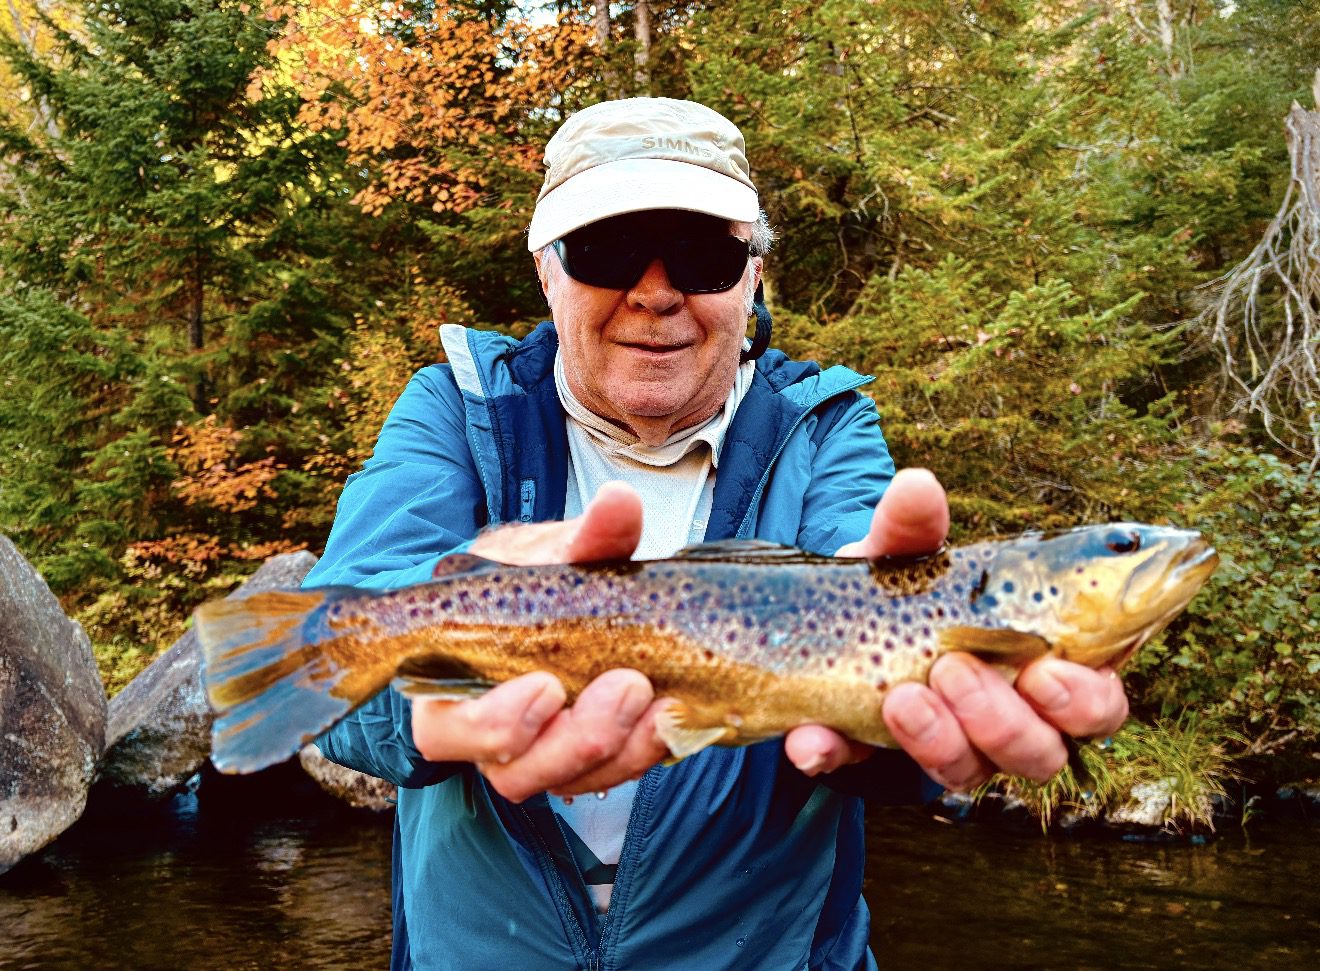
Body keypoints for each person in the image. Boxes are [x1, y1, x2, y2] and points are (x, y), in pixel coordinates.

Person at [307, 98, 1128, 970]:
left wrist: (897, 692)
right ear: (548, 270)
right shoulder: (455, 411)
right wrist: (435, 697)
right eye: (609, 251)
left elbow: (875, 588)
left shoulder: (825, 431)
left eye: (702, 256)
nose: (656, 292)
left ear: (755, 275)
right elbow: (325, 661)